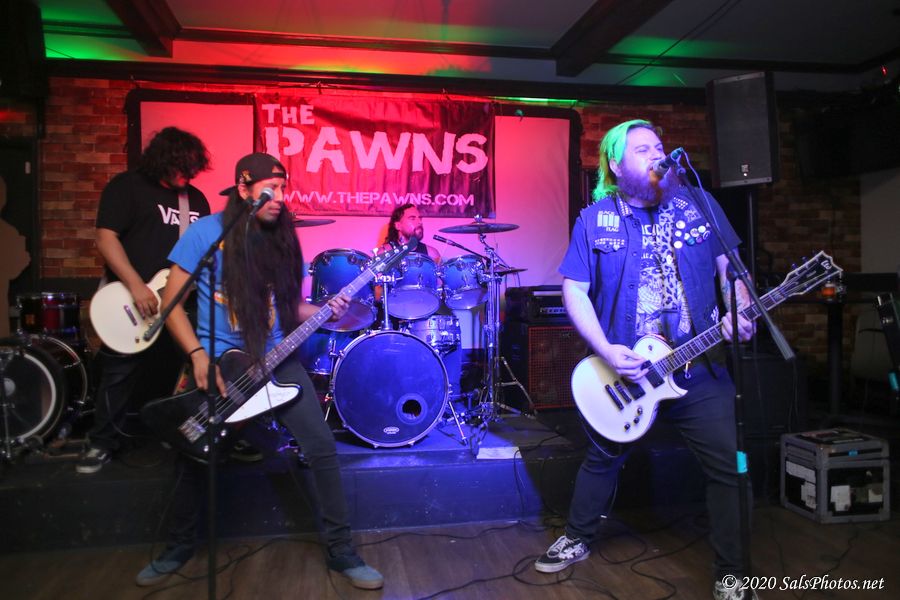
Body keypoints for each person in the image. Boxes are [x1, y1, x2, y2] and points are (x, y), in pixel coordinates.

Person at [135, 153, 383, 590]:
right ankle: (178, 546)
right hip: (221, 360)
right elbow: (170, 303)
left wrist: (324, 310)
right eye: (273, 188)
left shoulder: (283, 240)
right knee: (194, 452)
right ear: (244, 188)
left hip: (276, 357)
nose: (281, 197)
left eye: (285, 187)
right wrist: (196, 354)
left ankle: (341, 550)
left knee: (321, 447)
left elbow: (288, 308)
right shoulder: (206, 233)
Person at [534, 120, 756, 600]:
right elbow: (575, 290)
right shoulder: (595, 219)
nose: (656, 154)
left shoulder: (699, 205)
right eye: (641, 149)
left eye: (658, 146)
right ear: (616, 165)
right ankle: (577, 535)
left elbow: (732, 270)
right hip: (629, 371)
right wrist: (605, 349)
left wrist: (740, 306)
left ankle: (734, 576)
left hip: (698, 365)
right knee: (602, 457)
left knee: (730, 466)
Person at [77, 127, 212, 474]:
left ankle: (188, 434)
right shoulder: (127, 187)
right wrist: (136, 285)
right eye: (181, 168)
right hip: (133, 297)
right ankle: (102, 442)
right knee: (119, 372)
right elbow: (105, 238)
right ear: (163, 160)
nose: (187, 176)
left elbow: (199, 254)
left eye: (192, 170)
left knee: (194, 364)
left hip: (180, 302)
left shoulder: (196, 201)